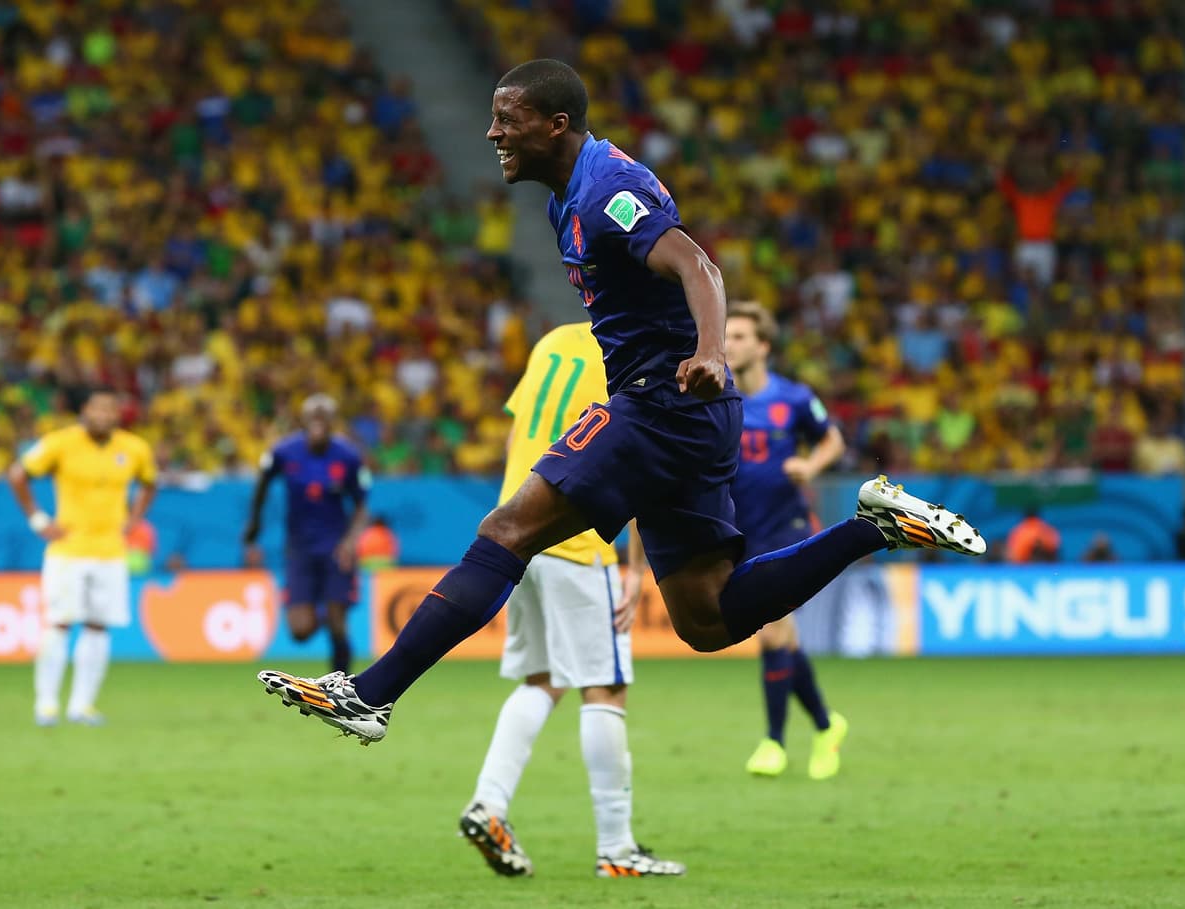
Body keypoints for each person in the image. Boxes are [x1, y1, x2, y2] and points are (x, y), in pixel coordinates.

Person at [257, 59, 984, 752]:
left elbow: (697, 263)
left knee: (507, 528)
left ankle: (373, 693)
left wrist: (710, 350)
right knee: (707, 617)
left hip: (661, 402)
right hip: (686, 415)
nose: (492, 134)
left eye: (507, 119)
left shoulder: (607, 189)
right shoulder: (562, 202)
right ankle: (872, 527)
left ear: (555, 122)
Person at [458, 322, 683, 879]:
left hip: (516, 531)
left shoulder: (555, 340)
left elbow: (517, 440)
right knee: (604, 687)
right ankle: (617, 850)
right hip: (577, 540)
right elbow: (627, 457)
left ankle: (488, 804)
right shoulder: (636, 350)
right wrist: (633, 565)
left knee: (542, 679)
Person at [724, 302, 849, 780]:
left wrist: (810, 467)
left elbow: (832, 439)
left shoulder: (794, 399)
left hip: (787, 525)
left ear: (763, 346)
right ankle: (825, 723)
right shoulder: (719, 396)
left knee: (773, 629)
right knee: (783, 636)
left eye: (739, 336)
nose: (730, 344)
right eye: (727, 336)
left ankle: (773, 743)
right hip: (740, 528)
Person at [9, 388, 157, 726]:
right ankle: (46, 704)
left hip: (110, 551)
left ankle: (82, 706)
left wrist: (135, 518)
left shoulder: (134, 448)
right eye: (97, 409)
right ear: (84, 411)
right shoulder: (60, 443)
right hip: (68, 550)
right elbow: (18, 474)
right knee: (59, 623)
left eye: (110, 410)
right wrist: (37, 519)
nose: (103, 416)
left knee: (98, 627)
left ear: (118, 415)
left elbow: (150, 482)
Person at [243, 394, 370, 674]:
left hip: (335, 546)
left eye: (324, 416)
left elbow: (362, 505)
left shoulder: (348, 456)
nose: (319, 422)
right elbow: (263, 481)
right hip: (299, 548)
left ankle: (341, 686)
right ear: (304, 420)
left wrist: (350, 542)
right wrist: (254, 523)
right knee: (300, 631)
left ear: (332, 421)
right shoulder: (284, 451)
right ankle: (325, 610)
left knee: (339, 625)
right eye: (314, 416)